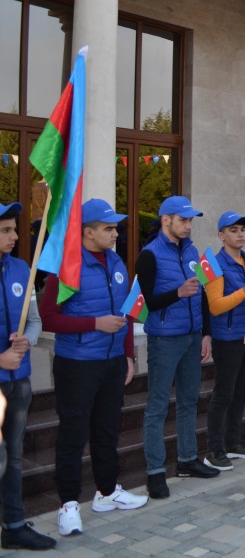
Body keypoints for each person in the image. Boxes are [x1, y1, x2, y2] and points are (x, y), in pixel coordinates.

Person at [42, 199, 147, 537]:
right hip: (77, 365)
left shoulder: (116, 261)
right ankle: (68, 505)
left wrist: (128, 354)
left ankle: (107, 491)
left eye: (115, 227)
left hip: (112, 363)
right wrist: (93, 323)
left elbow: (127, 311)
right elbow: (49, 318)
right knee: (73, 435)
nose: (115, 233)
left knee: (107, 429)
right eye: (108, 228)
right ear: (87, 232)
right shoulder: (66, 266)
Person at [138, 196, 219, 499]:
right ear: (166, 220)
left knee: (189, 401)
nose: (188, 225)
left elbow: (202, 296)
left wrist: (206, 334)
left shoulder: (193, 251)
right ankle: (155, 472)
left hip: (192, 336)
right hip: (164, 338)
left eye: (190, 221)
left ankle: (187, 459)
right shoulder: (149, 255)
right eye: (183, 220)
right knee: (158, 406)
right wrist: (177, 292)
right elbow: (147, 303)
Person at [0, 201, 56, 550]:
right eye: (6, 230)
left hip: (19, 382)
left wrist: (27, 340)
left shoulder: (22, 268)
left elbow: (35, 320)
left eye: (14, 228)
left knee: (13, 456)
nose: (15, 236)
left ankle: (14, 524)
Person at [203, 212, 245, 471]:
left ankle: (233, 441)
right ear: (221, 235)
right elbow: (216, 306)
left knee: (242, 391)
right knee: (224, 393)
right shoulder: (214, 264)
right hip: (227, 339)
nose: (240, 234)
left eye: (242, 229)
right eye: (233, 230)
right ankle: (214, 448)